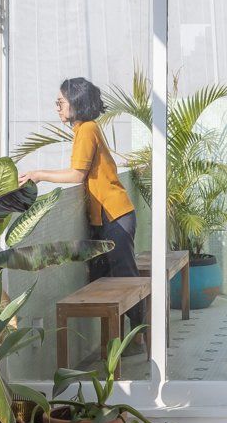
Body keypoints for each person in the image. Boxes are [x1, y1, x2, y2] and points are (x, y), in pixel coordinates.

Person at [21, 77, 139, 280]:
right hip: (111, 216)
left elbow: (77, 174)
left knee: (125, 279)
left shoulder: (87, 129)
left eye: (60, 102)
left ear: (76, 102)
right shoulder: (84, 129)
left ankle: (147, 314)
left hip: (114, 217)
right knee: (107, 282)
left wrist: (38, 175)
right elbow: (77, 170)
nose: (57, 108)